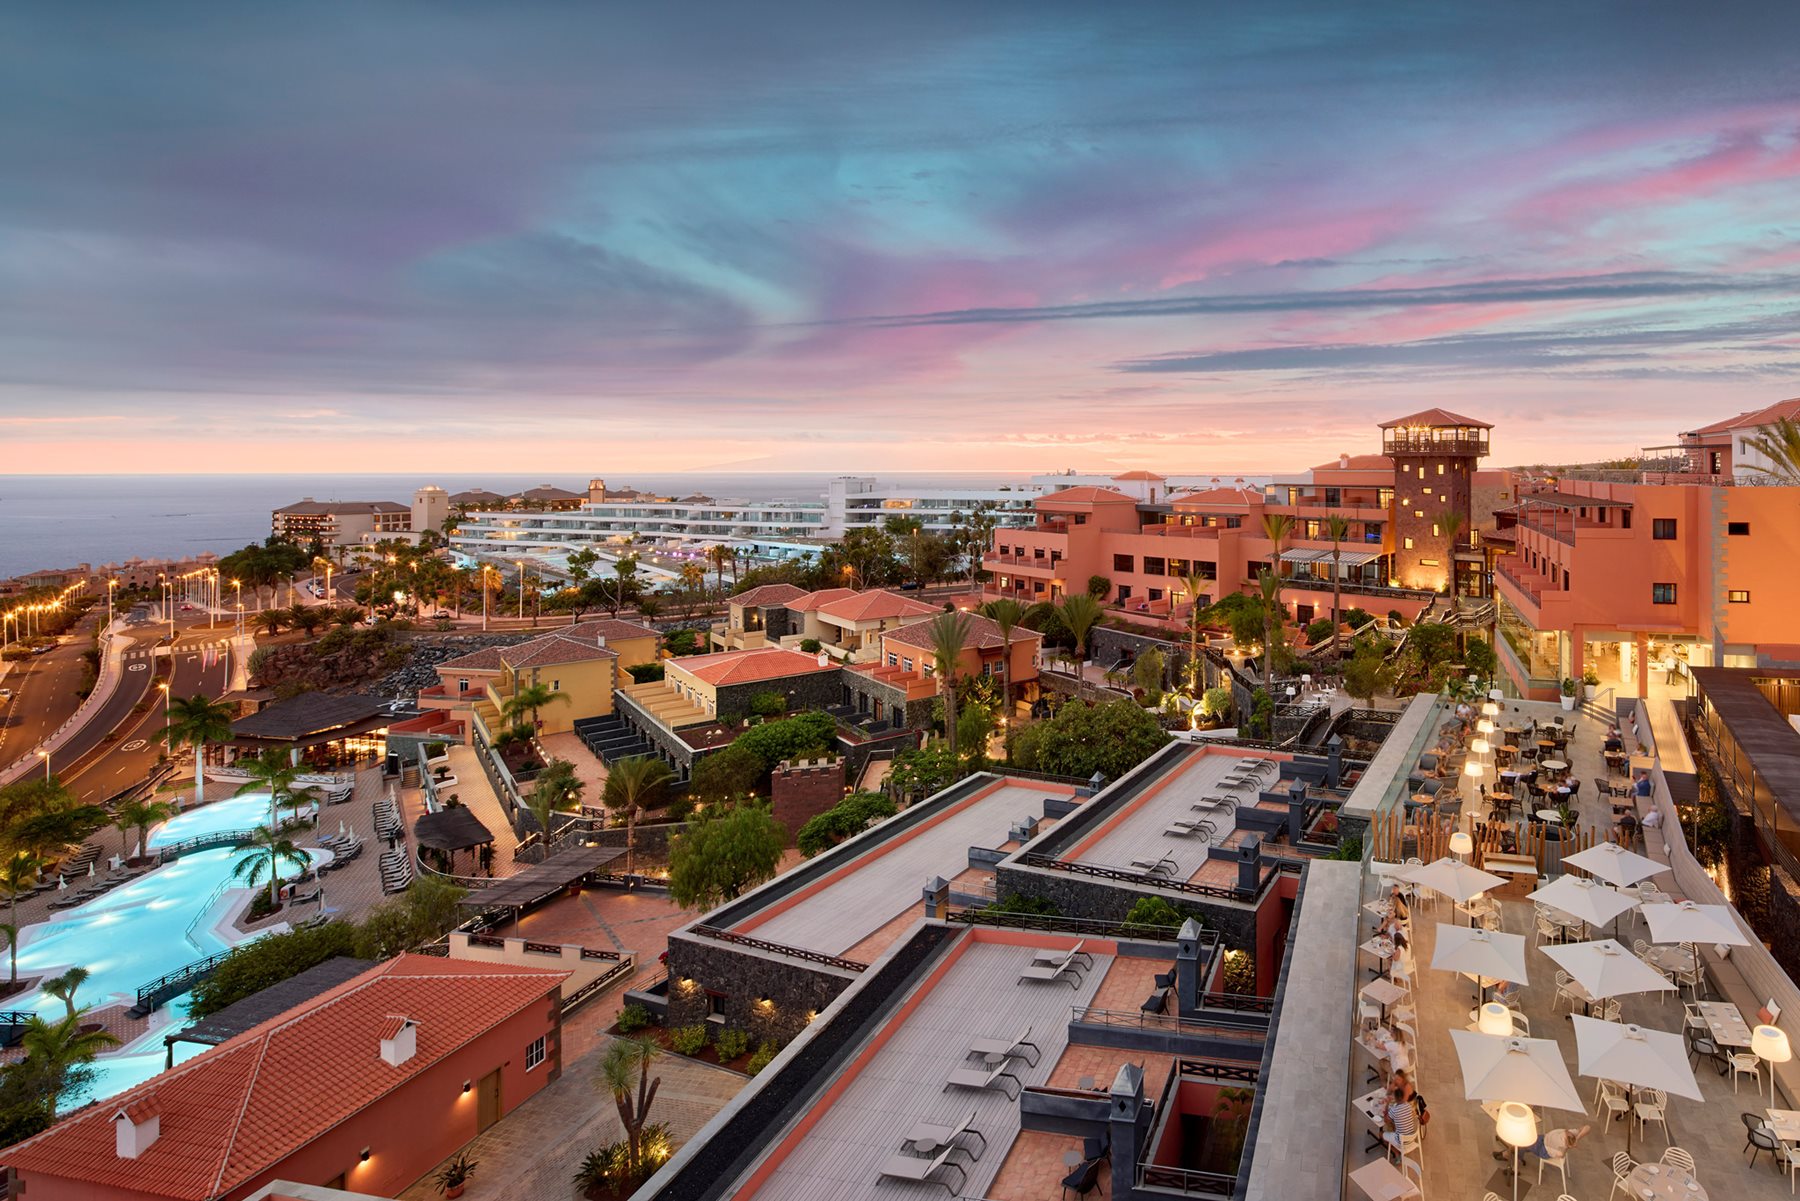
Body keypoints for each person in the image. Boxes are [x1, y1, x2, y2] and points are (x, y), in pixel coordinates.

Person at [1382, 1082, 1420, 1152]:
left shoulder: (1394, 1110)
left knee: (1382, 1135)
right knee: (1395, 1125)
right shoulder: (1409, 1106)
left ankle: (1397, 1154)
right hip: (1411, 1139)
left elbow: (1385, 1120)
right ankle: (1397, 1151)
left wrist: (1387, 1104)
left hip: (1401, 1142)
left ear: (1396, 1098)